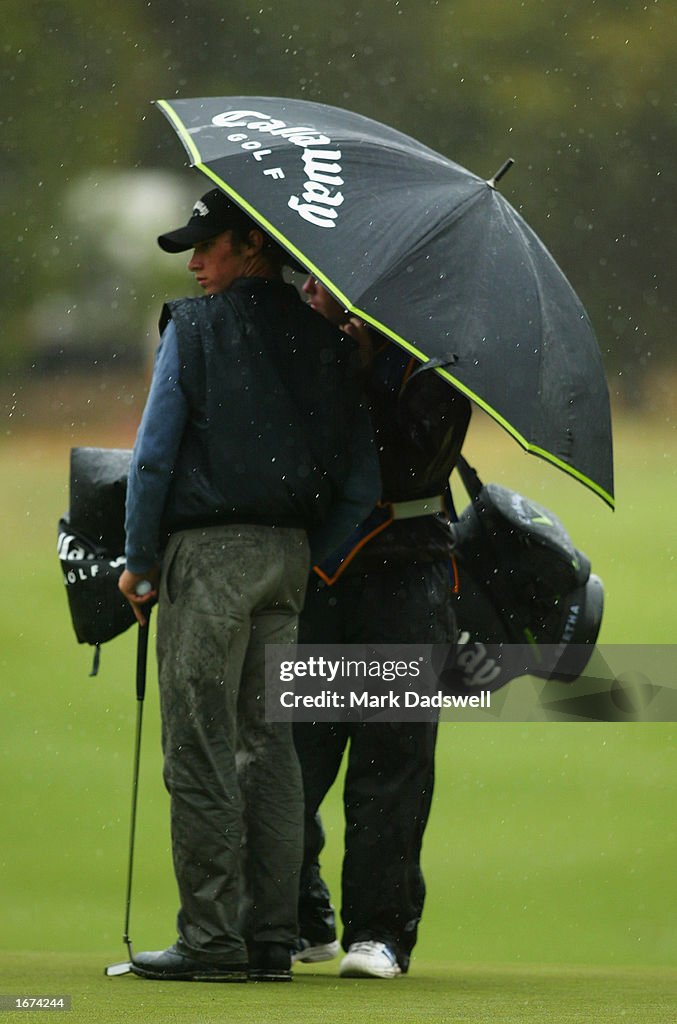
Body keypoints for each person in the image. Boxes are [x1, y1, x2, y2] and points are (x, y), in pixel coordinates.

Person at [117, 190, 379, 983]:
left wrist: (138, 560)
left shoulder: (192, 330)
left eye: (208, 247)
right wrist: (314, 552)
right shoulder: (324, 338)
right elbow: (361, 481)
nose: (194, 263)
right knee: (270, 752)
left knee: (198, 746)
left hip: (209, 559)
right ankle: (271, 938)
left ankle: (211, 942)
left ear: (253, 247)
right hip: (288, 560)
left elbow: (153, 457)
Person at [292, 276, 471, 979]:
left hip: (405, 579)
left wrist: (364, 370)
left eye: (321, 280)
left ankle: (380, 933)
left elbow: (410, 465)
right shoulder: (301, 345)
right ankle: (301, 916)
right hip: (320, 580)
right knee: (294, 758)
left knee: (388, 763)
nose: (308, 287)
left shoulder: (435, 360)